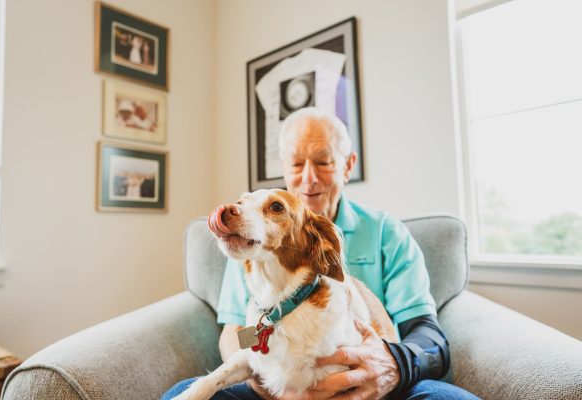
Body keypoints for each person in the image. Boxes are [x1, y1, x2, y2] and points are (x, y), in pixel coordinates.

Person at [162, 108, 479, 400]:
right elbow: (238, 334)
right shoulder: (252, 243)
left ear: (348, 165)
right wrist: (272, 381)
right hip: (277, 384)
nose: (309, 178)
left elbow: (429, 337)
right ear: (284, 168)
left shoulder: (386, 232)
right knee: (182, 393)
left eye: (324, 161)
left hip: (373, 383)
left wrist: (392, 365)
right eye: (297, 164)